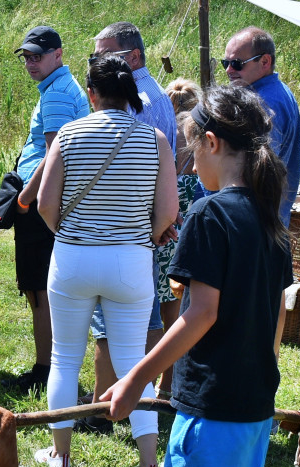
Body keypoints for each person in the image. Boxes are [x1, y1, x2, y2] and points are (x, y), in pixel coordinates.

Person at [102, 85, 293, 467]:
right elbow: (276, 317)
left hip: (211, 414)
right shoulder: (270, 220)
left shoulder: (210, 213)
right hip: (253, 411)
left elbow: (201, 312)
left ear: (211, 143)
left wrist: (136, 378)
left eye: (191, 150)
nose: (191, 164)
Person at [18, 54, 177, 467]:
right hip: (131, 259)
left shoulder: (69, 134)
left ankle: (61, 453)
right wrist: (145, 233)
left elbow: (46, 204)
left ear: (91, 93)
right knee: (134, 362)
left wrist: (66, 231)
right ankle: (148, 466)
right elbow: (167, 211)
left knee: (64, 359)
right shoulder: (156, 138)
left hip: (73, 256)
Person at [79, 22, 179, 434]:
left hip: (125, 235)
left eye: (106, 55)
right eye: (95, 57)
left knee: (111, 323)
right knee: (149, 316)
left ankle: (106, 406)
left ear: (133, 57)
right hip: (142, 234)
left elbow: (151, 181)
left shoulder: (142, 103)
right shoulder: (152, 96)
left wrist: (151, 230)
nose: (98, 63)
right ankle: (142, 399)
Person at [8, 26, 89, 394]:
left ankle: (45, 369)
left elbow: (55, 154)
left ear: (59, 54)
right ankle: (52, 365)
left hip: (42, 204)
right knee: (42, 288)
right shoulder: (62, 88)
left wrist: (25, 198)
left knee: (38, 290)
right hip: (53, 201)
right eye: (26, 56)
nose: (30, 63)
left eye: (37, 56)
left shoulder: (56, 94)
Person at [224, 27, 300, 355]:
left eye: (237, 63)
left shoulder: (264, 102)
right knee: (270, 305)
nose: (229, 70)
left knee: (250, 314)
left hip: (255, 222)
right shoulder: (277, 93)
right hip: (268, 221)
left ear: (265, 61)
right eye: (225, 62)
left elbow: (256, 170)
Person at [156, 78, 203, 397]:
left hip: (162, 231)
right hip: (188, 234)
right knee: (179, 312)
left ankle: (160, 383)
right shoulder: (195, 140)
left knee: (157, 313)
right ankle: (169, 382)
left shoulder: (164, 136)